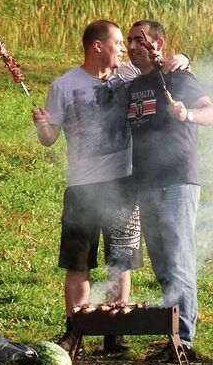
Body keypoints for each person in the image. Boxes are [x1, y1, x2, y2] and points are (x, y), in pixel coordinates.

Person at [32, 20, 141, 348]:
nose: (123, 49)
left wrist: (183, 60)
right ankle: (75, 329)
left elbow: (165, 70)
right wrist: (41, 126)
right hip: (82, 187)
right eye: (118, 43)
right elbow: (49, 138)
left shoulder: (129, 76)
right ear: (98, 46)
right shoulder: (64, 85)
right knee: (78, 262)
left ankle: (114, 331)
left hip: (123, 184)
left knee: (120, 261)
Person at [125, 19, 213, 361]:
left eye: (140, 40)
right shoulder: (134, 83)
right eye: (129, 40)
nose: (133, 45)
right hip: (146, 183)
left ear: (158, 43)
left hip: (177, 180)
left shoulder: (179, 77)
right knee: (162, 263)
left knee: (179, 260)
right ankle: (172, 338)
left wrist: (187, 113)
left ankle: (185, 342)